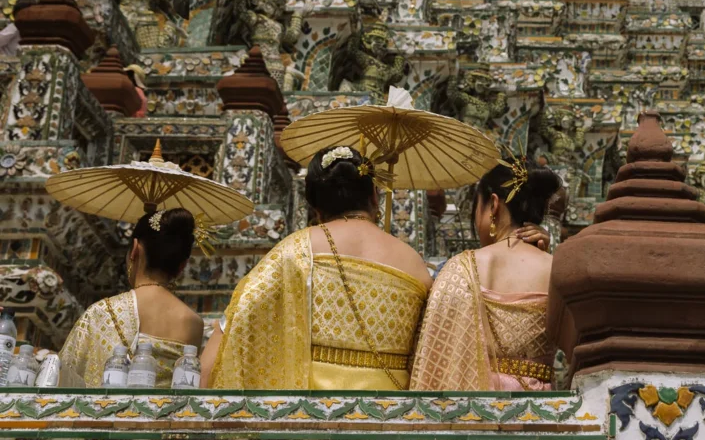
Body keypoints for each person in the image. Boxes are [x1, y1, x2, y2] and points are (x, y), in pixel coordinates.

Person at [204, 145, 433, 390]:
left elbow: (218, 354)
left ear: (315, 207)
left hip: (310, 416)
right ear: (374, 197)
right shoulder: (414, 263)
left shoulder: (292, 253)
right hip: (392, 416)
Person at [410, 157, 560, 391]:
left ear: (493, 204)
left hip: (473, 409)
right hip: (538, 411)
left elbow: (431, 353)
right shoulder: (557, 270)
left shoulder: (461, 269)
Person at [59, 208, 205, 387]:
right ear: (182, 265)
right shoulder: (193, 323)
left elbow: (63, 377)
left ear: (135, 249)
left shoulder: (102, 312)